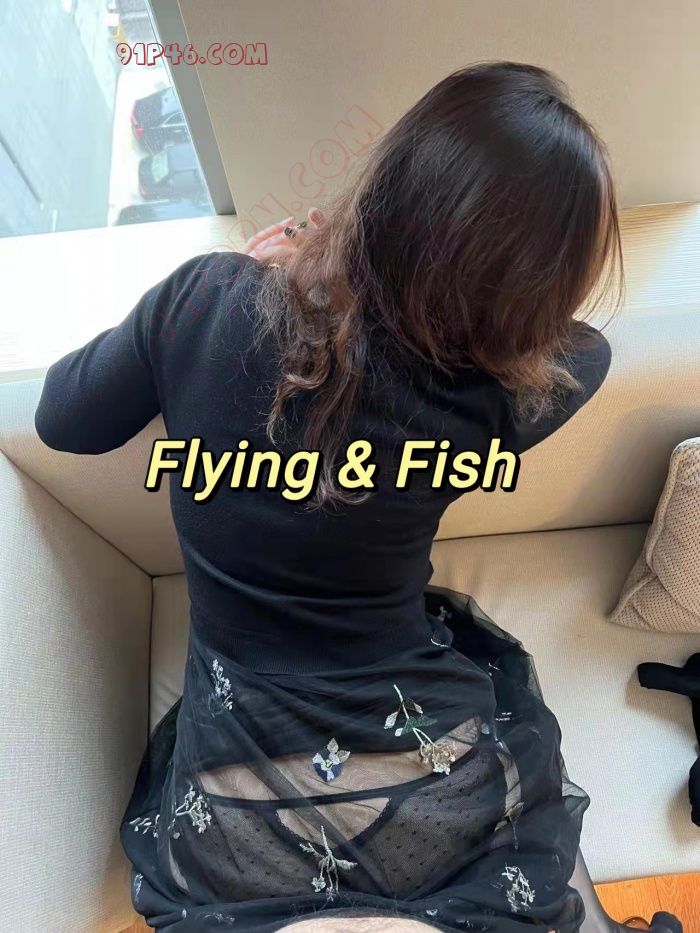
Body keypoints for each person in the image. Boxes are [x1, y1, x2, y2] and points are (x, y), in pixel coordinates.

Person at [34, 63, 681, 933]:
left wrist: (254, 272)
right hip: (425, 764)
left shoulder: (205, 302)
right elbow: (588, 351)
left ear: (391, 184)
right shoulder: (494, 392)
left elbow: (62, 418)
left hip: (236, 805)